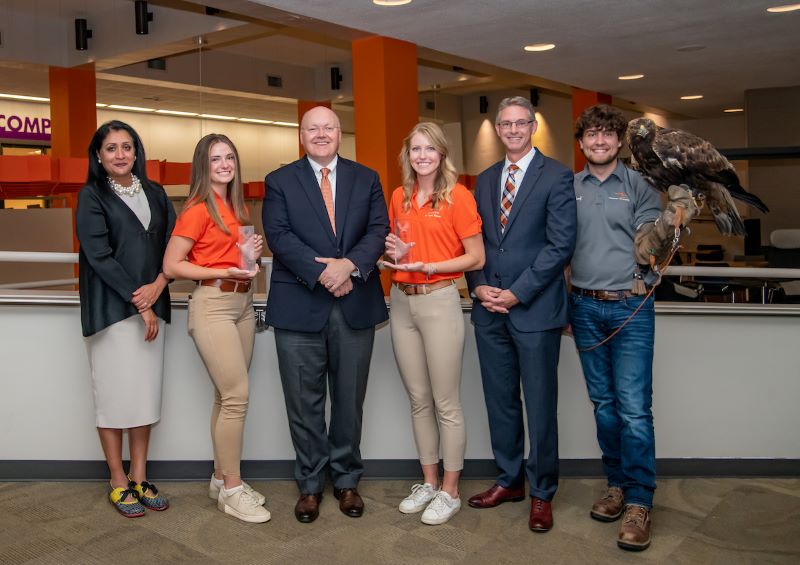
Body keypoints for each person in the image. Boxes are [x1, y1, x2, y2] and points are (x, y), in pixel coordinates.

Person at [569, 104, 697, 551]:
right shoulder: (570, 188)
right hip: (583, 308)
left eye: (608, 134)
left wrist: (671, 219)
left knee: (634, 409)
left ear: (620, 141)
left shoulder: (641, 183)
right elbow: (560, 249)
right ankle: (617, 485)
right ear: (581, 142)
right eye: (592, 135)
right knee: (603, 405)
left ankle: (640, 500)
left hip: (630, 306)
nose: (600, 141)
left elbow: (649, 246)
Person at [262, 106, 389, 523]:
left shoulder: (366, 178)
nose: (321, 134)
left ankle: (347, 480)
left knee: (350, 400)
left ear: (340, 133)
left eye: (328, 128)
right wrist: (326, 272)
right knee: (303, 402)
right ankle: (311, 485)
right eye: (312, 129)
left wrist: (348, 266)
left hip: (355, 304)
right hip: (300, 305)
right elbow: (279, 237)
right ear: (301, 135)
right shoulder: (279, 181)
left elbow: (377, 231)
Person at [465, 96, 577, 533]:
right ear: (497, 128)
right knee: (500, 401)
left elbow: (559, 245)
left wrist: (517, 293)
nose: (512, 130)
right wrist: (479, 288)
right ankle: (509, 480)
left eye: (520, 123)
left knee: (540, 403)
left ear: (532, 127)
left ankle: (542, 491)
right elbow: (475, 242)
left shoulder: (557, 176)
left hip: (535, 310)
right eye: (505, 124)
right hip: (489, 310)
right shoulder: (486, 179)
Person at [162, 133, 269, 524]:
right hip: (213, 306)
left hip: (241, 302)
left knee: (225, 398)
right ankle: (233, 490)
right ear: (202, 167)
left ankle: (220, 478)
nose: (224, 164)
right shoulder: (197, 208)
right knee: (237, 397)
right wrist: (222, 270)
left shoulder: (234, 206)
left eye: (229, 157)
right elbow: (173, 265)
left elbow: (231, 257)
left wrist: (250, 259)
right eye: (215, 159)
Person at [383, 122, 484, 525]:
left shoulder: (458, 197)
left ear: (442, 154)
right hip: (401, 301)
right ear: (407, 156)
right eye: (415, 150)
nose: (422, 156)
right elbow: (400, 245)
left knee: (446, 402)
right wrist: (394, 251)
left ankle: (450, 489)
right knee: (418, 399)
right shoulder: (399, 196)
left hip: (440, 299)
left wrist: (431, 265)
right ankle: (428, 481)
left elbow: (476, 257)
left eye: (429, 149)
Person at [76, 120, 174, 517]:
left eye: (127, 147)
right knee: (115, 396)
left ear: (137, 152)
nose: (120, 154)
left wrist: (161, 282)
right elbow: (99, 257)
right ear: (98, 155)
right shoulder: (91, 196)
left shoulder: (155, 192)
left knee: (144, 395)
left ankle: (139, 475)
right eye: (111, 148)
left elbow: (173, 244)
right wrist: (143, 302)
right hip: (113, 311)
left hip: (153, 305)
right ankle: (117, 479)